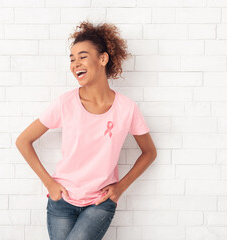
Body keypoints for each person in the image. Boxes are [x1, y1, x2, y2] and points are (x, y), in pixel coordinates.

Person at [15, 20, 157, 240]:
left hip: (99, 204)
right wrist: (49, 183)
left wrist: (120, 188)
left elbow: (149, 152)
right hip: (61, 202)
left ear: (102, 59)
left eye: (82, 56)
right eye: (71, 59)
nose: (75, 64)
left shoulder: (127, 109)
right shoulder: (65, 103)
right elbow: (23, 141)